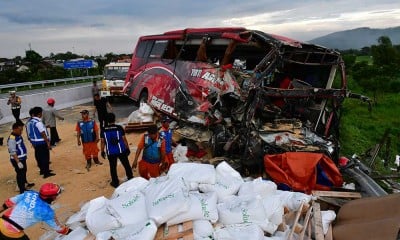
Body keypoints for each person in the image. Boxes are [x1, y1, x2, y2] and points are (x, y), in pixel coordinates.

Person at [0, 183, 72, 239]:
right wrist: (72, 231)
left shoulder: (29, 193)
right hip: (12, 232)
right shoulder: (47, 212)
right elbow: (59, 229)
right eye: (56, 195)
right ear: (52, 197)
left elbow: (8, 203)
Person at [100, 113, 133, 188]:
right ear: (114, 119)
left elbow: (102, 141)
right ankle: (130, 177)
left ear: (107, 120)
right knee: (126, 164)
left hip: (111, 152)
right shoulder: (119, 128)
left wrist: (102, 151)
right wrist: (127, 148)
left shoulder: (103, 129)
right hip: (121, 150)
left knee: (112, 167)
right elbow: (124, 139)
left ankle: (115, 182)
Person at [27, 107, 55, 179]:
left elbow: (29, 133)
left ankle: (42, 170)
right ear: (39, 114)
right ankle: (46, 173)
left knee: (38, 156)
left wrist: (31, 142)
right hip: (41, 142)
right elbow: (43, 133)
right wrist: (48, 143)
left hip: (35, 142)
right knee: (45, 157)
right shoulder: (38, 122)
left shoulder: (29, 122)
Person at [7, 122, 35, 194]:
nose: (21, 132)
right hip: (18, 159)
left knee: (24, 171)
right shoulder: (12, 139)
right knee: (20, 174)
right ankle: (22, 190)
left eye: (22, 130)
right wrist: (18, 162)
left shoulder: (18, 135)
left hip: (22, 158)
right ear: (15, 129)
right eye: (20, 130)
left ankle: (25, 183)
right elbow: (12, 152)